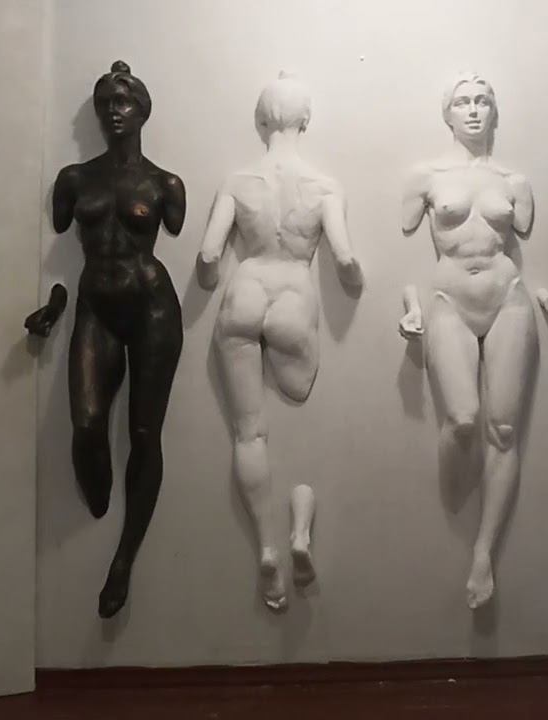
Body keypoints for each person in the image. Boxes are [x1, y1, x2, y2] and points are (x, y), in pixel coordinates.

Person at [401, 73, 548, 610]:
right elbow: (405, 236)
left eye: (482, 101)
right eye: (462, 102)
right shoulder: (425, 177)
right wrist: (409, 305)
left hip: (508, 297)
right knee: (462, 419)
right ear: (447, 114)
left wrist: (546, 295)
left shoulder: (514, 181)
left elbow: (527, 238)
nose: (473, 110)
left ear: (494, 112)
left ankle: (483, 552)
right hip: (449, 297)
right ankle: (455, 505)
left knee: (504, 430)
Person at [198, 73, 363, 610]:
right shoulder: (324, 185)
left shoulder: (238, 180)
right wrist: (355, 282)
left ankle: (267, 548)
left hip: (245, 288)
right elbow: (344, 260)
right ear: (305, 119)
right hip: (293, 289)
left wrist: (208, 280)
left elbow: (208, 258)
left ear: (263, 119)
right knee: (296, 387)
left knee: (249, 433)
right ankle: (300, 530)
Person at [28, 61, 186, 618]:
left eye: (123, 102)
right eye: (104, 104)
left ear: (143, 111)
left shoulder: (167, 185)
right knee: (88, 425)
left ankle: (123, 559)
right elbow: (54, 249)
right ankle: (97, 500)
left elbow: (174, 228)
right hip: (95, 306)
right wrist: (55, 305)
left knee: (145, 432)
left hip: (153, 308)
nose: (113, 112)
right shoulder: (74, 180)